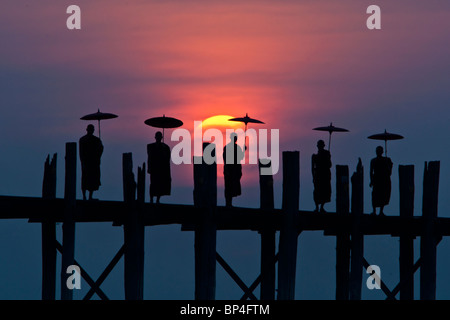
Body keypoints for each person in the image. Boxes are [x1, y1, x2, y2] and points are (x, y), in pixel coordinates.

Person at [79, 124, 104, 200]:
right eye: (90, 129)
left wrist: (100, 146)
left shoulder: (97, 140)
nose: (91, 131)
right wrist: (82, 162)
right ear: (87, 130)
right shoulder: (83, 139)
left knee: (93, 179)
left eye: (92, 129)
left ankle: (90, 196)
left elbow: (100, 150)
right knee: (85, 179)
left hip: (94, 162)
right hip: (86, 162)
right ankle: (84, 196)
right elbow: (81, 152)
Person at [147, 131, 171, 204]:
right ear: (155, 137)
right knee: (153, 183)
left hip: (161, 169)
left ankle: (157, 199)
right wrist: (149, 167)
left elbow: (167, 158)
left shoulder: (165, 147)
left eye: (160, 137)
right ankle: (151, 198)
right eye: (157, 137)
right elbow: (150, 157)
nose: (158, 138)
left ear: (161, 138)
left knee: (160, 184)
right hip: (154, 168)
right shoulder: (151, 147)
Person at [223, 132, 245, 207]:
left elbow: (240, 157)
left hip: (235, 170)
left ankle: (229, 203)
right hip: (230, 169)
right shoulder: (228, 147)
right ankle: (228, 203)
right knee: (229, 186)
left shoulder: (235, 147)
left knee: (231, 187)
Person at [370, 146, 393, 216]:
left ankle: (381, 211)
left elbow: (389, 172)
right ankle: (374, 211)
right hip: (377, 180)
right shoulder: (373, 160)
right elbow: (371, 172)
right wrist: (371, 181)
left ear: (382, 152)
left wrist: (388, 164)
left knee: (383, 195)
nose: (378, 152)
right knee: (374, 196)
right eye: (377, 151)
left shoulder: (386, 160)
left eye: (379, 151)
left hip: (384, 180)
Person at [311, 140, 332, 213]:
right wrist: (313, 177)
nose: (320, 147)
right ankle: (317, 207)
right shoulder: (314, 156)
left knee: (325, 191)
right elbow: (312, 168)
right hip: (318, 176)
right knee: (317, 192)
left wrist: (328, 157)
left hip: (325, 175)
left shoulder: (326, 153)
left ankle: (321, 207)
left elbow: (329, 165)